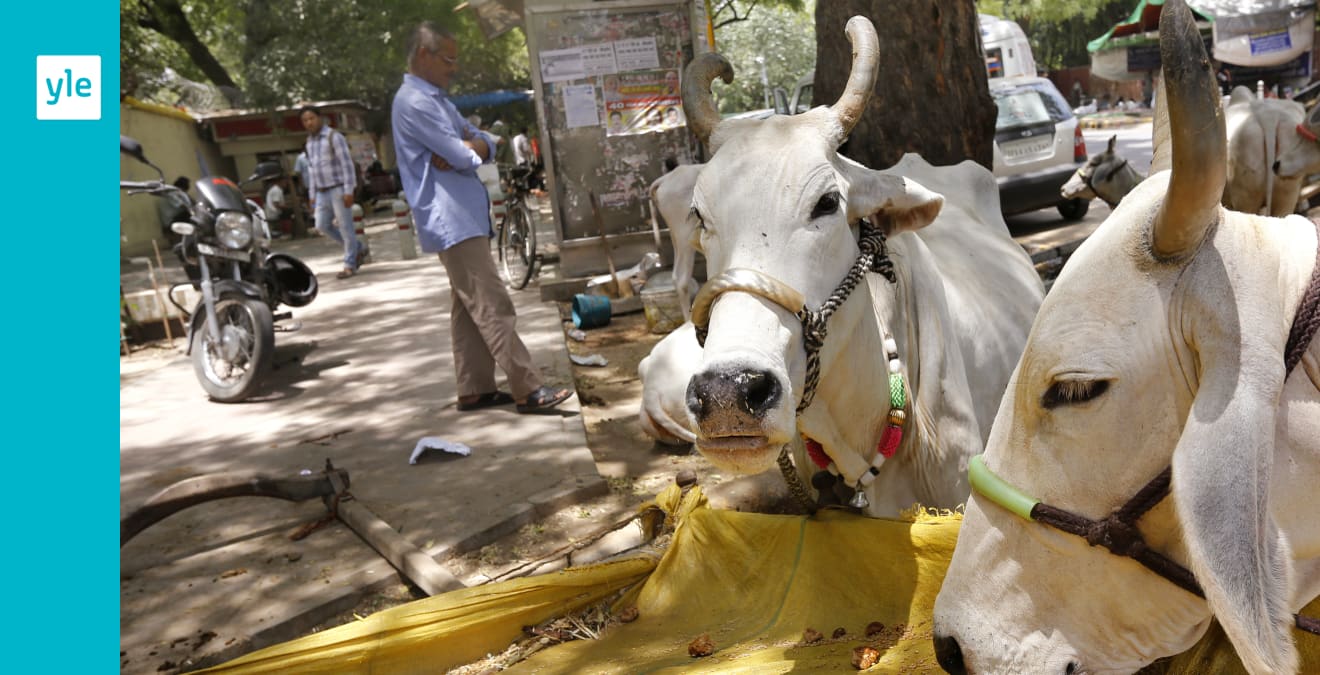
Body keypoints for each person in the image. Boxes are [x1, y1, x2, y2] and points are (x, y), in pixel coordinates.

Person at [391, 21, 573, 414]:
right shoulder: (416, 102)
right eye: (449, 60)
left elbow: (479, 141)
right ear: (424, 54)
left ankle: (474, 388)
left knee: (467, 304)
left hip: (462, 215)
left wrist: (477, 143)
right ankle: (529, 388)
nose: (453, 68)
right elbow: (463, 155)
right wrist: (472, 147)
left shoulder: (436, 99)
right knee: (491, 304)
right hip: (449, 216)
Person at [300, 106, 367, 279]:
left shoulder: (333, 137)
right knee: (321, 225)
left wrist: (348, 190)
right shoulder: (310, 142)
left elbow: (347, 165)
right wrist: (312, 195)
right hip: (321, 192)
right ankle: (358, 248)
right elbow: (312, 170)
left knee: (345, 227)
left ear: (320, 118)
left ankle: (349, 264)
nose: (309, 123)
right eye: (305, 120)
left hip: (338, 188)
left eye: (311, 118)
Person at [156, 176, 192, 242]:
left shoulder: (171, 192)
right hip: (171, 221)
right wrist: (191, 210)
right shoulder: (173, 193)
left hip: (170, 220)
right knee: (190, 216)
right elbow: (182, 205)